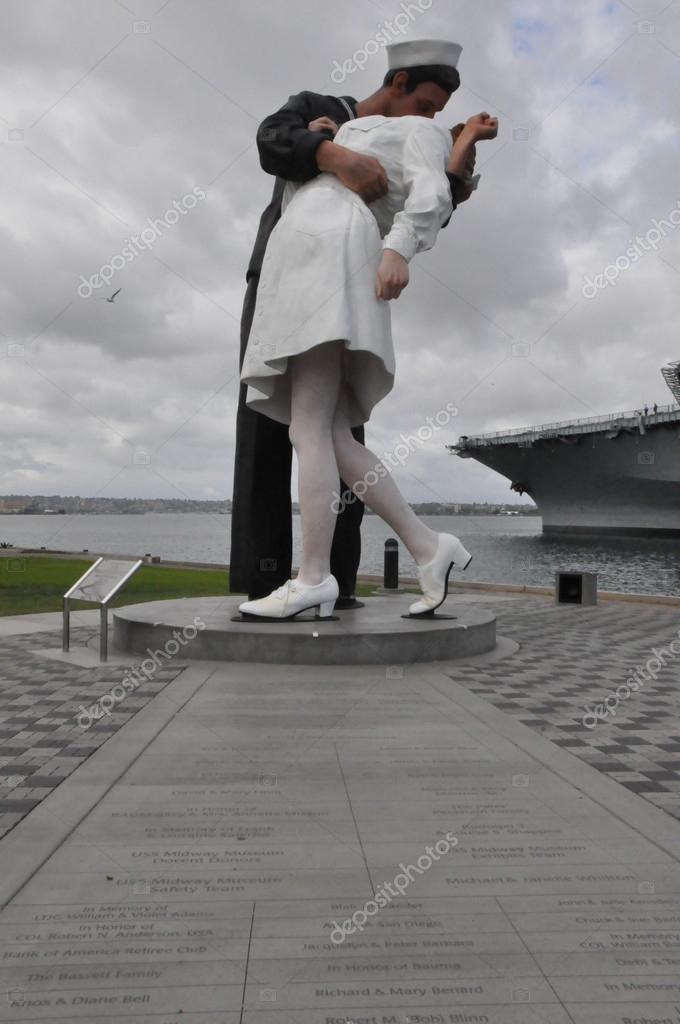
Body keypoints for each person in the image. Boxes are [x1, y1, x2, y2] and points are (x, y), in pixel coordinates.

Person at [229, 39, 484, 606]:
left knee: (309, 428)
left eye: (439, 111)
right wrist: (329, 148)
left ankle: (319, 577)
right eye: (425, 101)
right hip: (288, 272)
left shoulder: (413, 131)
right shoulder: (326, 112)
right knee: (318, 432)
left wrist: (401, 244)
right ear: (398, 85)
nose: (430, 114)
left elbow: (435, 192)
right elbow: (274, 140)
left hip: (328, 265)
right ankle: (422, 547)